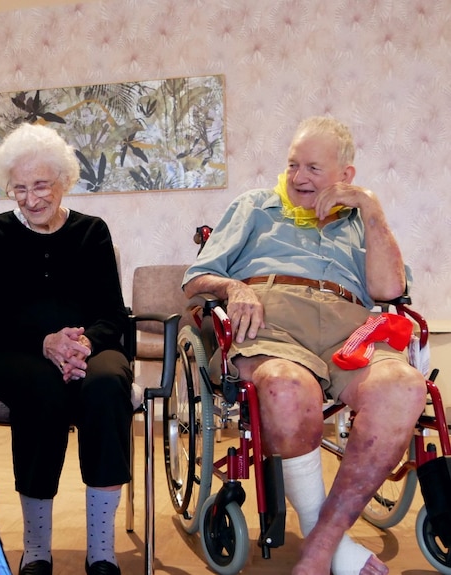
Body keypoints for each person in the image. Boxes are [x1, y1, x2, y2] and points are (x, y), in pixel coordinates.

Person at [182, 116, 426, 575]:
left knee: (404, 388)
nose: (298, 178)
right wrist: (234, 287)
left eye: (313, 168)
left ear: (346, 176)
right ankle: (326, 540)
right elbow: (195, 278)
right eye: (293, 165)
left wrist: (372, 212)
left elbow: (391, 292)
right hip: (271, 316)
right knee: (287, 388)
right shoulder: (256, 206)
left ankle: (319, 547)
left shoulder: (360, 220)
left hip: (350, 325)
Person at [0, 123, 132, 575]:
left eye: (41, 185)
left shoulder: (91, 233)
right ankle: (36, 549)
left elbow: (114, 315)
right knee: (43, 388)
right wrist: (44, 343)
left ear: (64, 182)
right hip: (6, 352)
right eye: (19, 188)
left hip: (86, 347)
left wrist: (82, 344)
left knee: (107, 383)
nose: (31, 198)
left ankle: (102, 551)